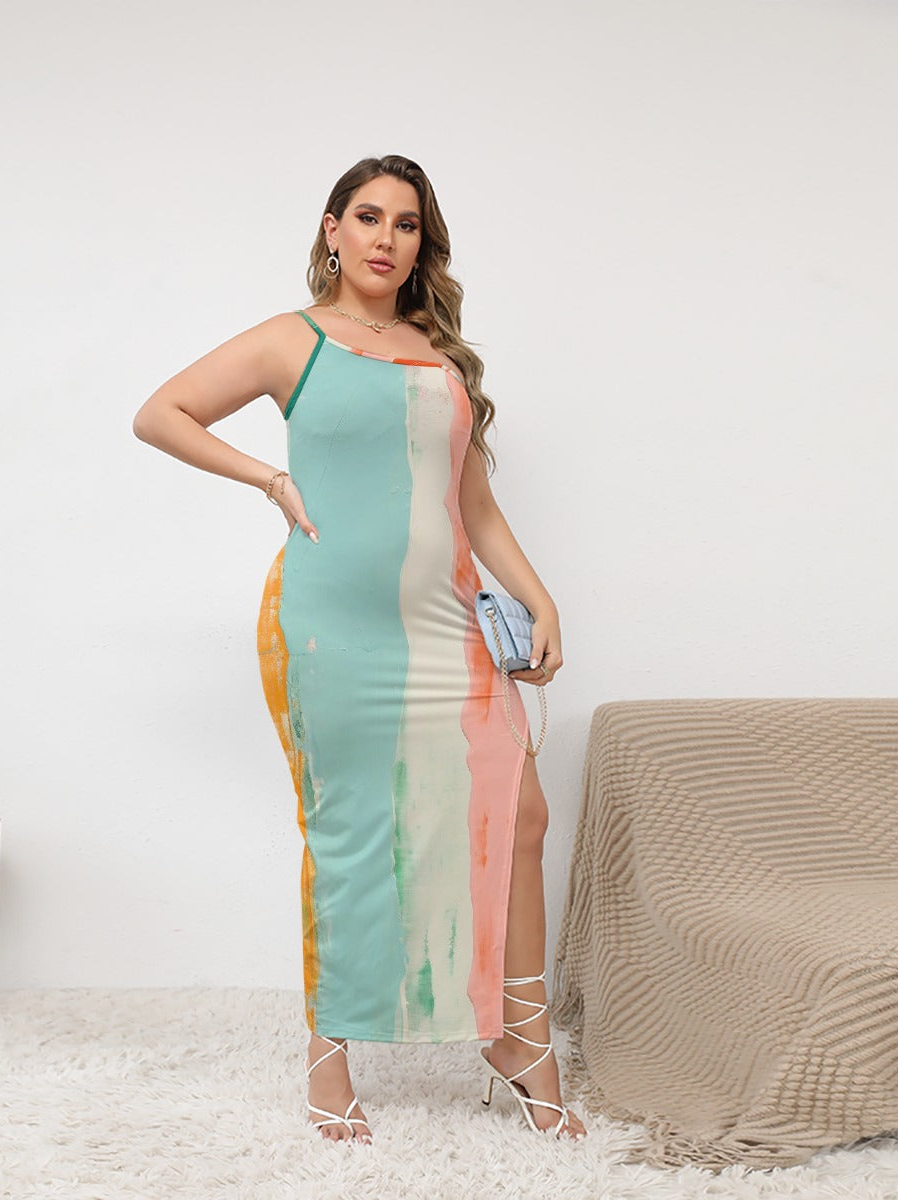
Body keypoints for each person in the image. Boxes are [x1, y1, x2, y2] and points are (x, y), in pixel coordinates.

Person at [132, 154, 586, 1145]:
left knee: (519, 814)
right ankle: (328, 1056)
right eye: (369, 217)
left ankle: (520, 1039)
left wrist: (538, 595)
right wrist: (267, 478)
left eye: (407, 223)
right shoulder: (289, 341)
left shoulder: (439, 355)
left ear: (424, 244)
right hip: (328, 624)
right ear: (332, 230)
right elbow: (158, 413)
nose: (387, 238)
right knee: (348, 831)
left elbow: (473, 502)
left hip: (446, 618)